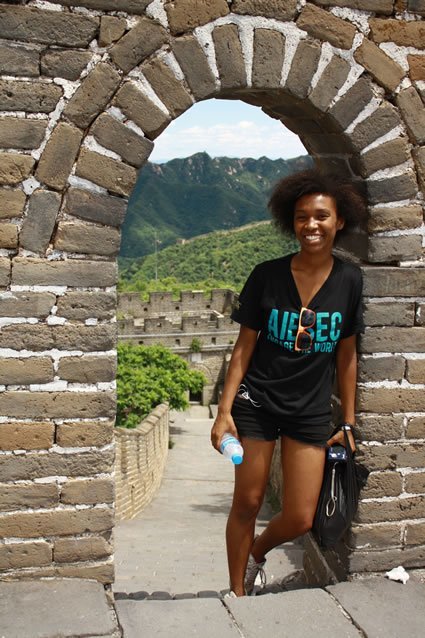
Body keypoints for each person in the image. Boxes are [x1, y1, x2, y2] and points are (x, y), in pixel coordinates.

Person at [210, 169, 366, 597]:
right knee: (247, 501)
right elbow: (243, 349)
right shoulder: (267, 275)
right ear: (290, 221)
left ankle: (257, 553)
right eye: (301, 217)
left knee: (299, 516)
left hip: (311, 409)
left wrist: (348, 421)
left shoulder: (350, 281)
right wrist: (224, 412)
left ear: (339, 222)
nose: (310, 226)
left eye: (320, 216)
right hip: (255, 402)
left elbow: (347, 354)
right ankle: (237, 593)